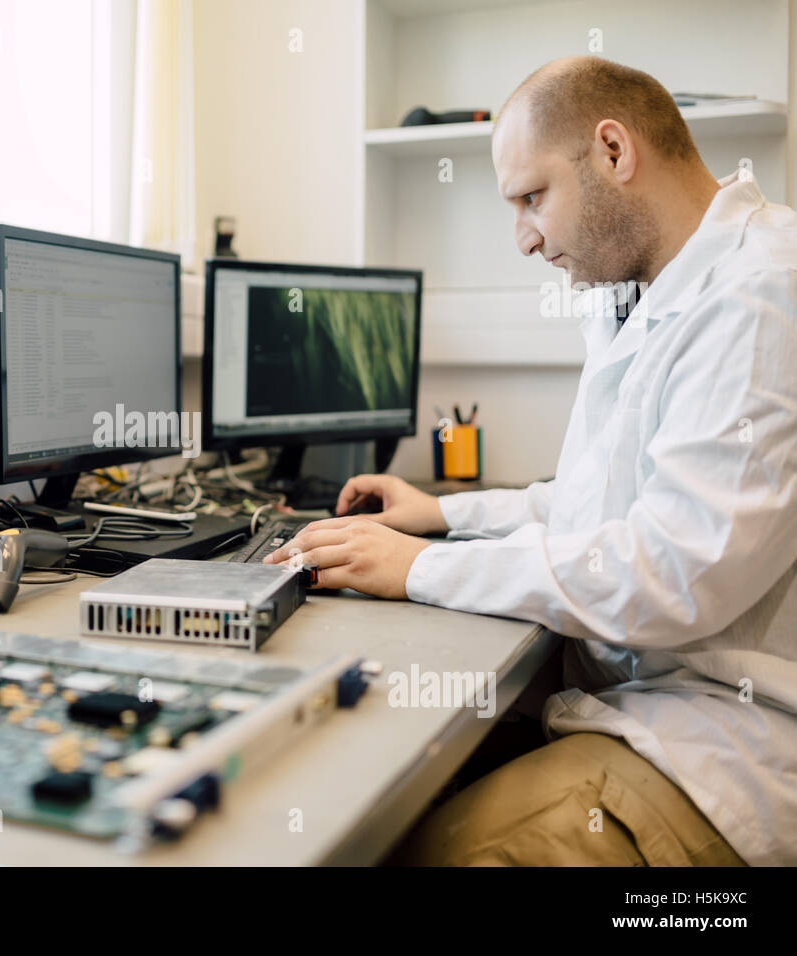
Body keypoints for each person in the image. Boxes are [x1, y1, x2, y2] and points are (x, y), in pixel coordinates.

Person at [264, 56, 797, 866]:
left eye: (532, 197)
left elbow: (669, 572)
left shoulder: (759, 297)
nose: (524, 237)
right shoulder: (654, 293)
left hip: (728, 742)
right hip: (646, 696)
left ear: (614, 152)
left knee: (420, 847)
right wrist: (442, 516)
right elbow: (599, 506)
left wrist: (418, 569)